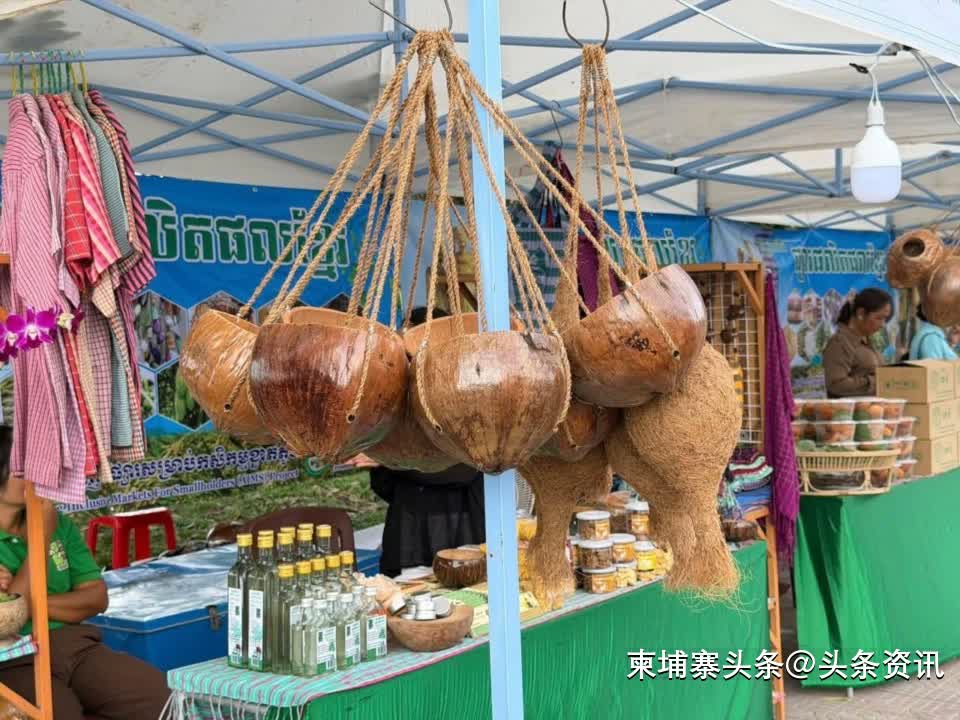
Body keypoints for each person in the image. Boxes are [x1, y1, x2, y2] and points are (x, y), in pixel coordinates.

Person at [0, 427, 171, 719]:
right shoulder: (48, 523)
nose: (36, 475)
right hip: (16, 661)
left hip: (75, 645)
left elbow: (96, 598)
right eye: (22, 468)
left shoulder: (58, 522)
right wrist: (42, 538)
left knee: (160, 700)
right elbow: (6, 622)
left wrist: (26, 603)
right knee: (59, 713)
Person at [369, 307, 485, 578]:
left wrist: (393, 463)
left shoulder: (468, 391)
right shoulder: (400, 398)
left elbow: (465, 469)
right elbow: (385, 485)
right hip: (410, 533)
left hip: (456, 532)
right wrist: (379, 459)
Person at [822, 288, 893, 398]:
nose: (883, 325)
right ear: (861, 313)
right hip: (850, 409)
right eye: (879, 318)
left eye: (885, 319)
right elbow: (835, 384)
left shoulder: (867, 340)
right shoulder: (840, 343)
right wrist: (876, 382)